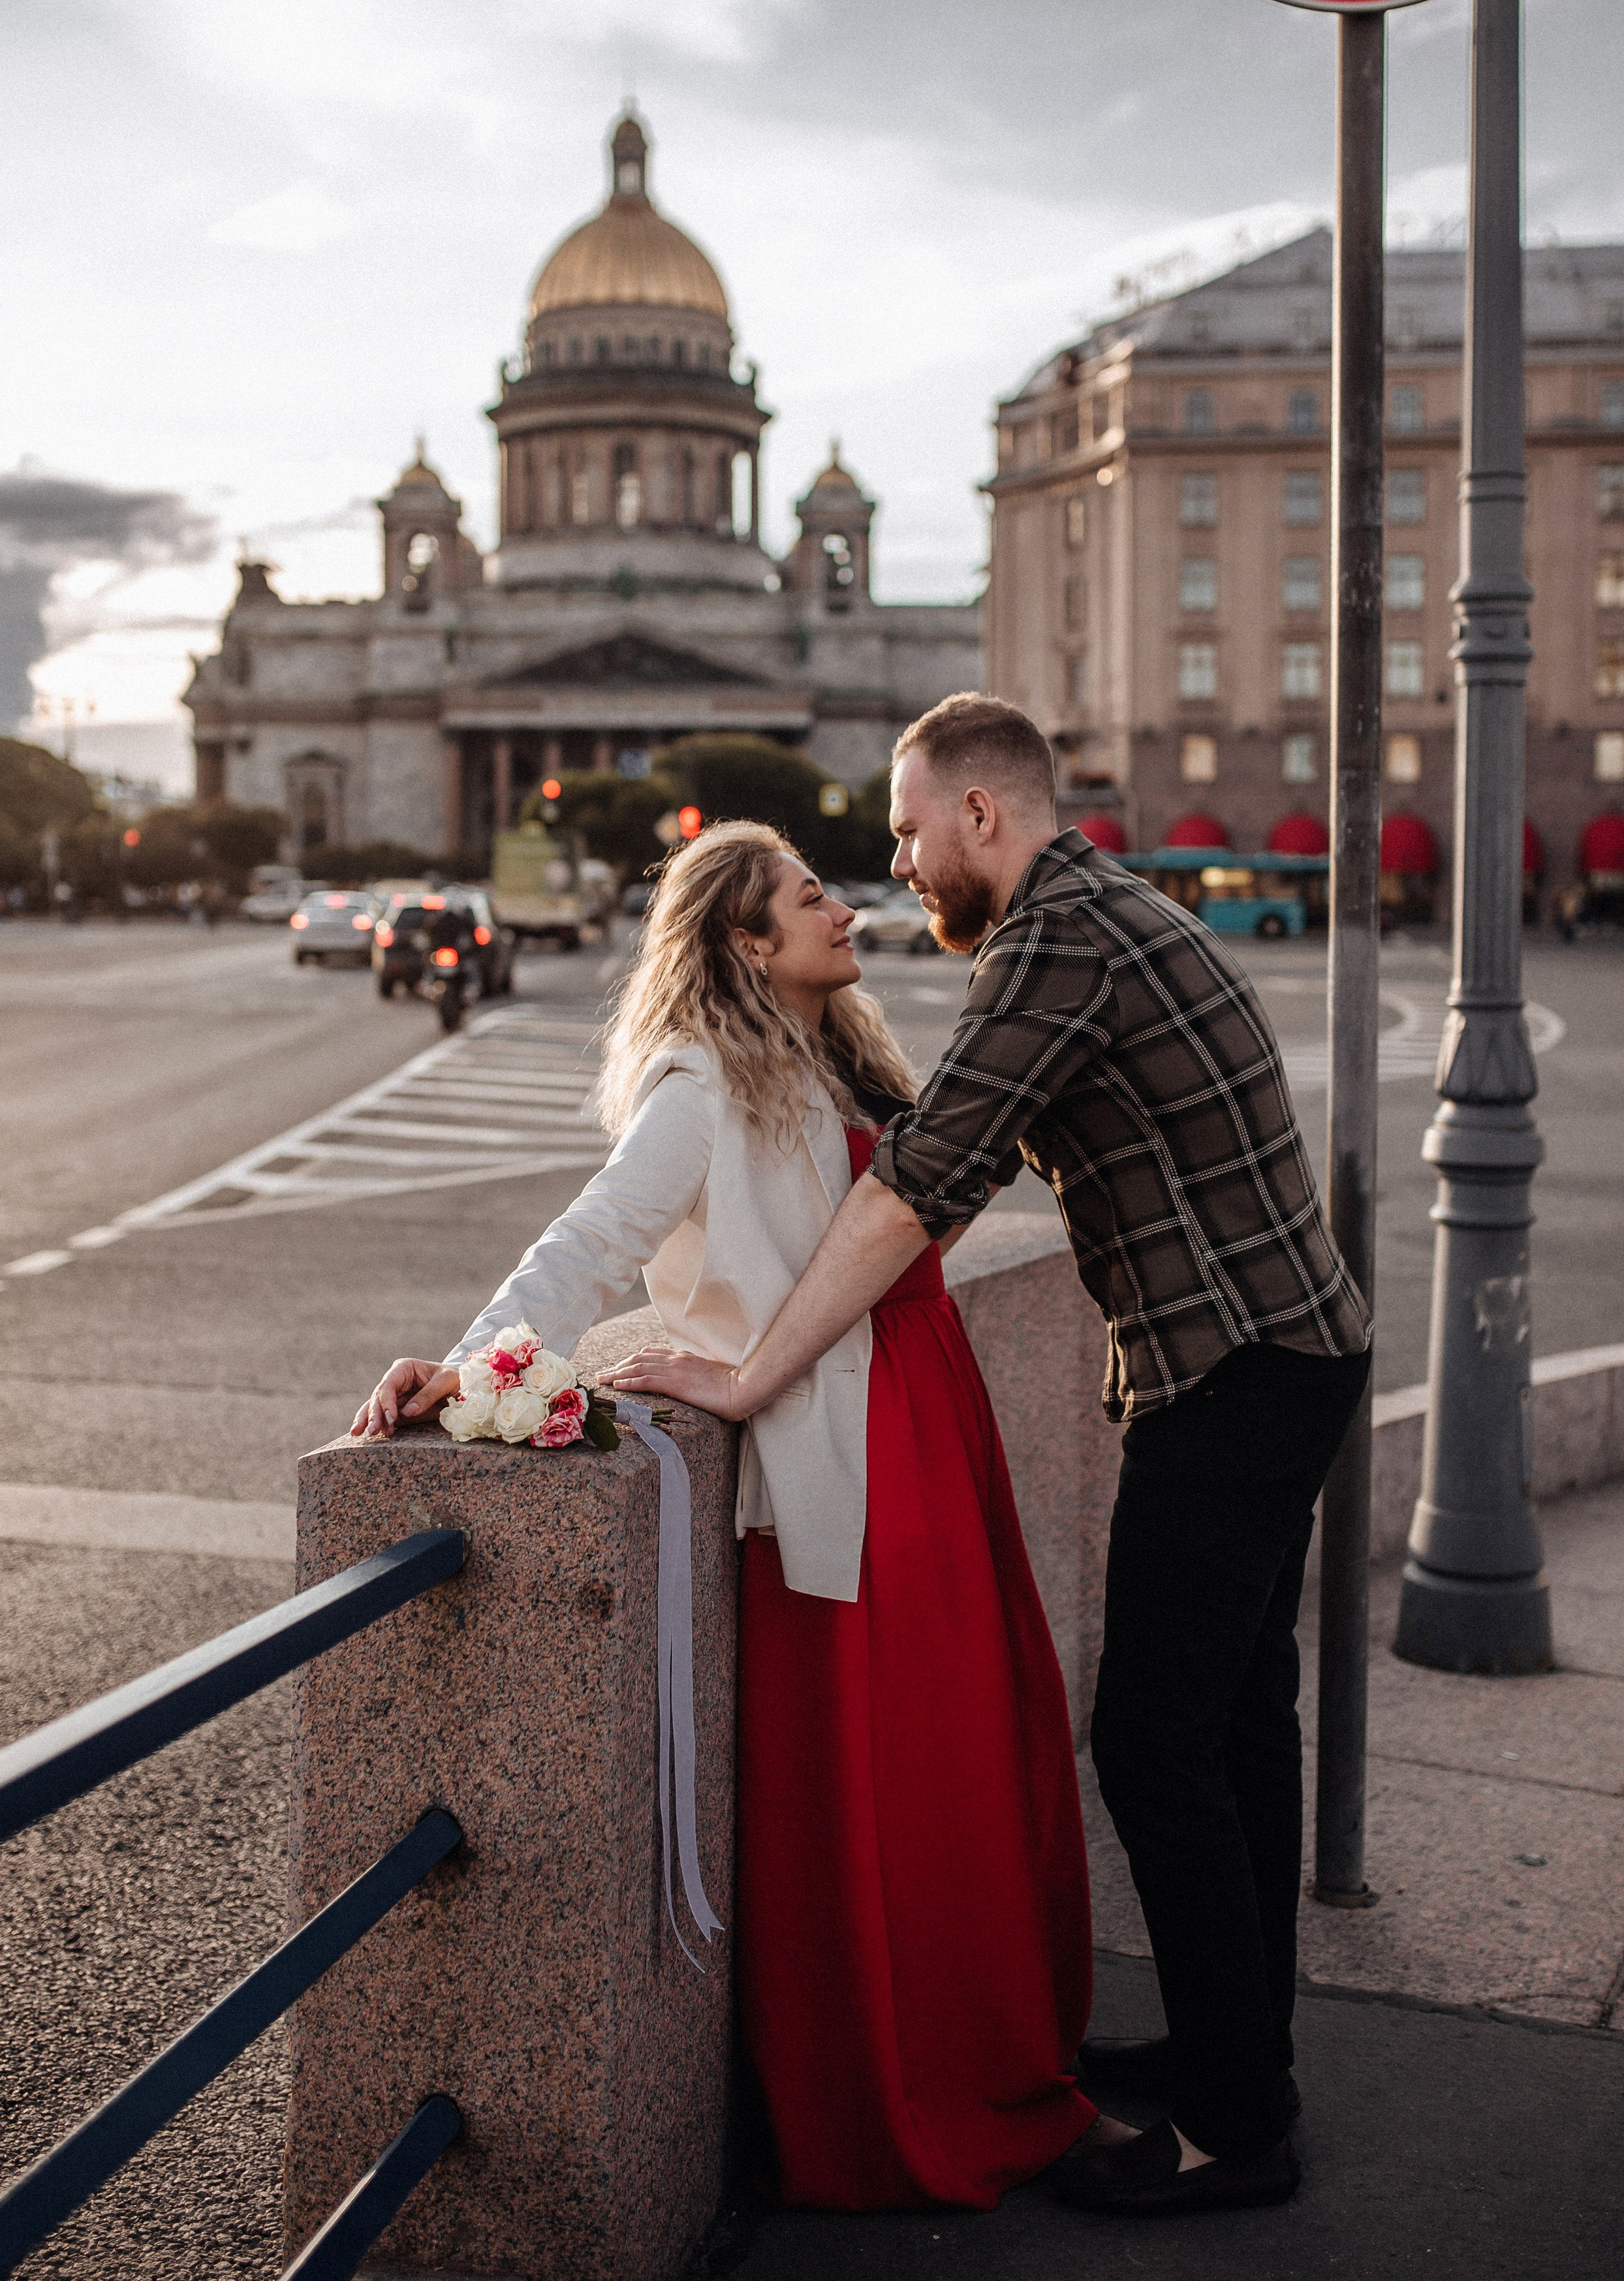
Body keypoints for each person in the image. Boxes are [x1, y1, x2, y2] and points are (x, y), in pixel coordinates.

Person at [612, 697, 1371, 2220]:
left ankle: (1237, 2134)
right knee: (1235, 1733)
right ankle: (1244, 2058)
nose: (894, 866)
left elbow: (924, 1181)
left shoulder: (1051, 938)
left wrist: (754, 1373)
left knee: (1157, 1749)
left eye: (903, 831)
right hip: (1285, 1352)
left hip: (1231, 1372)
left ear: (978, 814)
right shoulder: (1102, 909)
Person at [352, 819, 1111, 2212]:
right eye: (806, 895)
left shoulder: (845, 1053)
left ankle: (996, 2056)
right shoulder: (701, 1080)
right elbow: (589, 1241)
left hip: (929, 1414)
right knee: (891, 1784)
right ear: (747, 943)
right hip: (845, 1443)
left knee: (967, 1751)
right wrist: (469, 1367)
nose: (841, 903)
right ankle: (899, 2097)